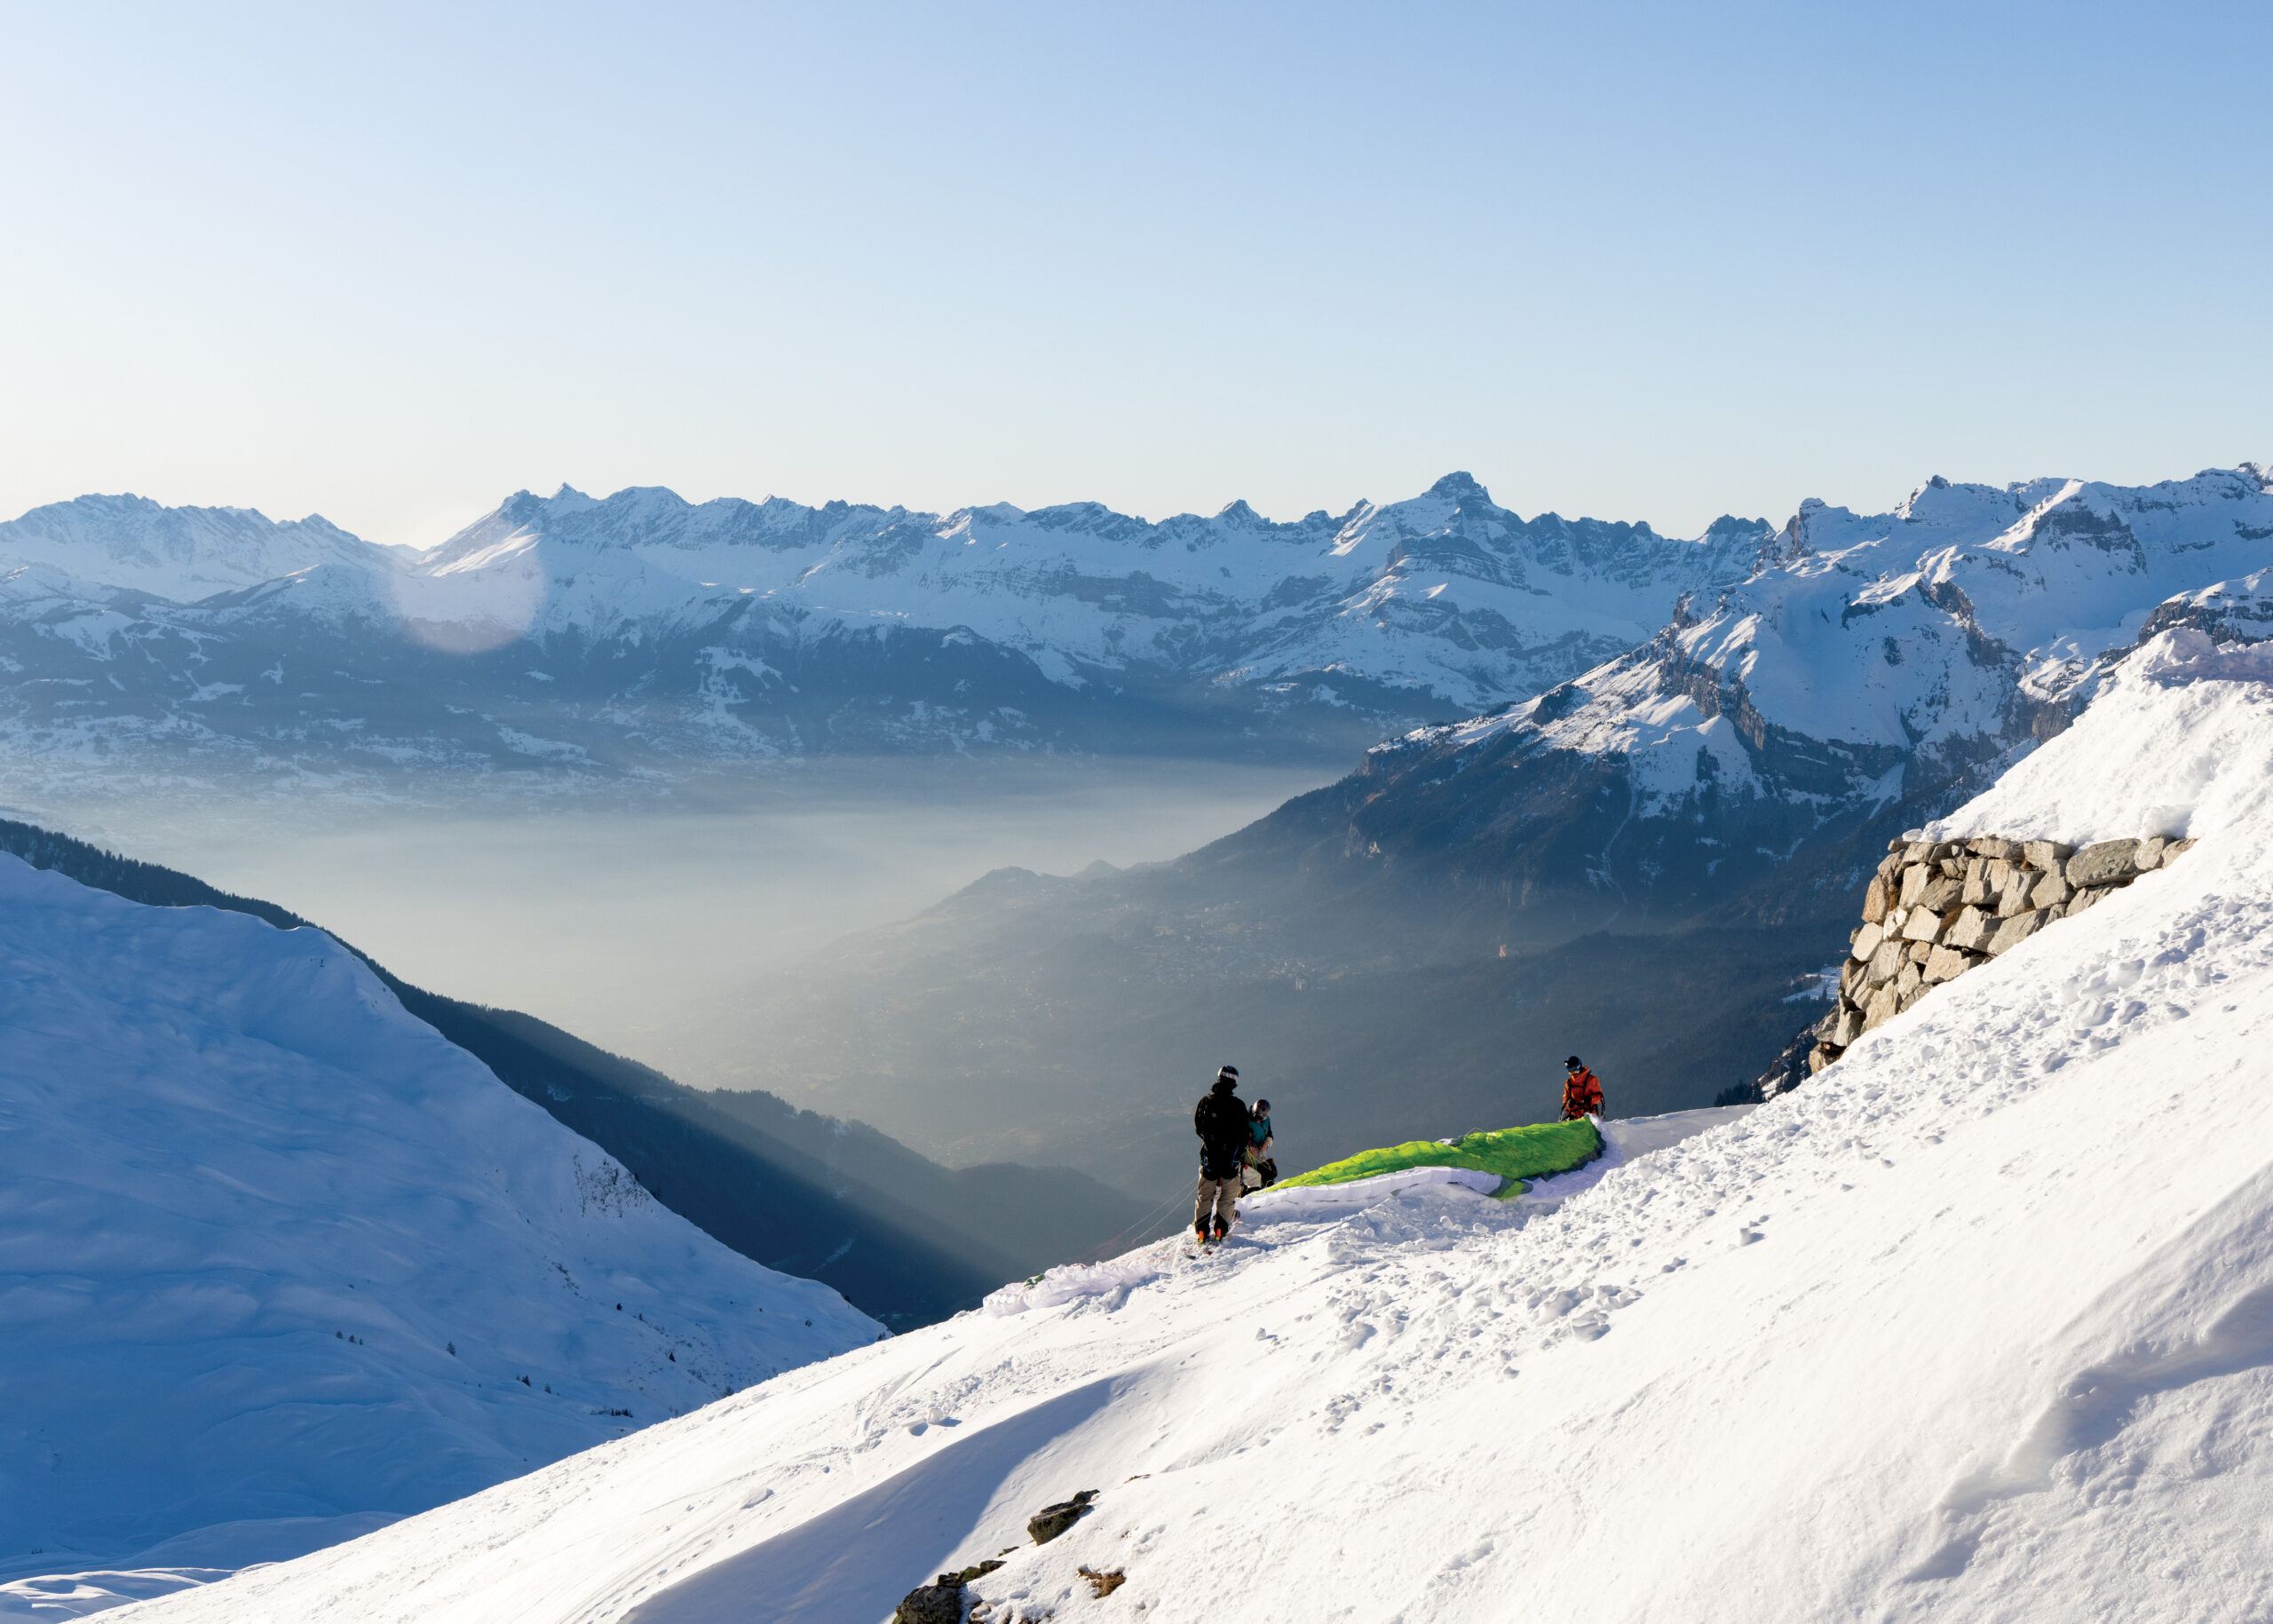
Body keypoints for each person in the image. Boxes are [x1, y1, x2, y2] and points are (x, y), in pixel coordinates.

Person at [1192, 1065, 1249, 1243]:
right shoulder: (1238, 1106)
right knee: (1227, 1197)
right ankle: (1220, 1230)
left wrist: (1210, 1142)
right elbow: (1244, 1135)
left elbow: (1198, 1127)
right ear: (1234, 1082)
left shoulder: (1206, 1102)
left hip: (1209, 1158)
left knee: (1205, 1196)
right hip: (1230, 1162)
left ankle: (1201, 1231)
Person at [1243, 1097, 1276, 1192]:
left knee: (1269, 1176)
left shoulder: (1266, 1121)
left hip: (1261, 1153)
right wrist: (1248, 1146)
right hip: (1247, 1155)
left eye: (1261, 1118)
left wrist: (1266, 1145)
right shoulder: (1245, 1120)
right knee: (1254, 1179)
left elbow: (1269, 1135)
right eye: (1256, 1117)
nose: (1258, 1120)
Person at [1561, 1056, 1604, 1121]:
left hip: (1589, 1116)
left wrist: (1590, 1099)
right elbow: (1565, 1098)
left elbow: (1600, 1097)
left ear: (1578, 1068)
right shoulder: (1569, 1082)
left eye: (1573, 1070)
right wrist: (1569, 1102)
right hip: (1573, 1116)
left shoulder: (1592, 1080)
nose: (1572, 1073)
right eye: (1569, 1070)